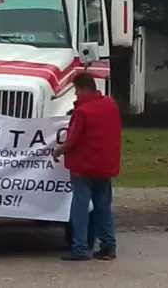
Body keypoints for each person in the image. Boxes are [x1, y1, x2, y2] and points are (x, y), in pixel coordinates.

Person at [53, 72, 122, 261]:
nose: (76, 95)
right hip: (105, 165)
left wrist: (58, 151)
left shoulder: (82, 112)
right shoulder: (110, 105)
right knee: (103, 206)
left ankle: (80, 248)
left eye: (77, 91)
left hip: (83, 167)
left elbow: (72, 141)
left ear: (84, 89)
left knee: (80, 208)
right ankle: (108, 246)